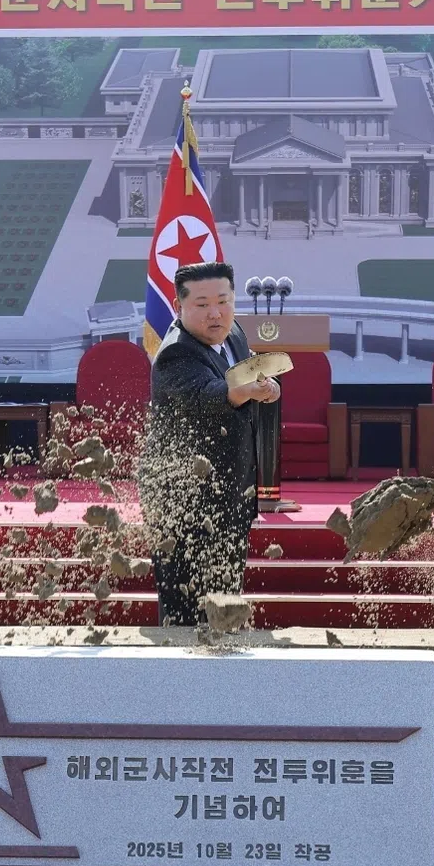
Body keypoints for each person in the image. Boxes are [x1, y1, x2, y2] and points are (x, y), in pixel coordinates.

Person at [139, 261, 280, 626]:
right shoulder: (174, 353)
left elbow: (249, 373)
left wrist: (266, 388)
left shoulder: (232, 333)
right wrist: (244, 392)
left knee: (225, 595)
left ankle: (226, 675)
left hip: (232, 490)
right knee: (184, 609)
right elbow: (207, 397)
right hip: (184, 499)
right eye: (201, 305)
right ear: (179, 306)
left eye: (223, 301)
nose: (215, 313)